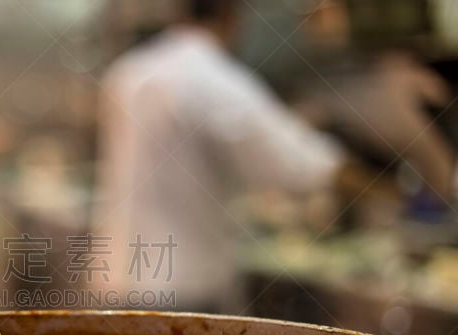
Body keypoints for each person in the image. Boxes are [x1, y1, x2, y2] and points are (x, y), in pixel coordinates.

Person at [93, 0, 456, 314]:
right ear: (231, 14)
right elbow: (303, 162)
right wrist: (398, 196)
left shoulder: (129, 71)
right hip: (178, 293)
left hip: (114, 280)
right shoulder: (210, 77)